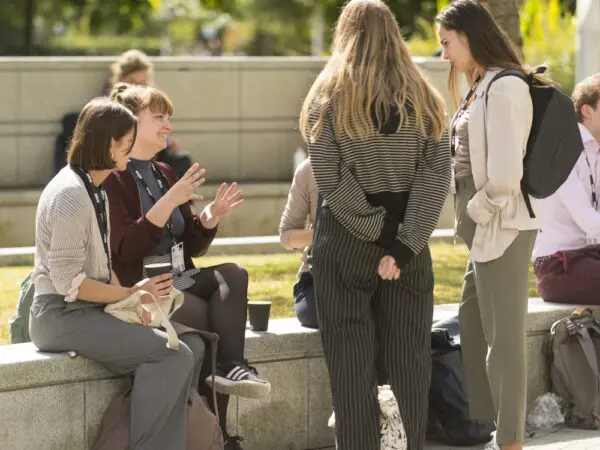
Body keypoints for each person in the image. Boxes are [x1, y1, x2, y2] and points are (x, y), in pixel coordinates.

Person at [298, 1, 451, 448]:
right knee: (409, 361)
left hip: (344, 241)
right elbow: (435, 177)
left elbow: (329, 176)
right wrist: (402, 244)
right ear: (395, 35)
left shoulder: (325, 96)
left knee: (349, 366)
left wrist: (373, 231)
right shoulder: (426, 99)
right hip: (409, 242)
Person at [30, 97, 207, 450]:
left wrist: (136, 299)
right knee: (172, 355)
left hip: (83, 311)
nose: (131, 150)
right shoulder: (70, 194)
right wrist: (132, 293)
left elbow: (103, 268)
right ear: (109, 143)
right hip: (60, 315)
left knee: (188, 345)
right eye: (127, 142)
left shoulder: (93, 189)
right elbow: (70, 284)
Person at [104, 83, 271, 450]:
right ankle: (219, 434)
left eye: (169, 117)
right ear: (131, 123)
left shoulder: (163, 171)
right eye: (159, 117)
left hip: (182, 275)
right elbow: (127, 248)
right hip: (148, 287)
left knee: (233, 274)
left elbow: (189, 245)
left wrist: (208, 219)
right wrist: (167, 203)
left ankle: (230, 370)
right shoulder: (113, 177)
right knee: (211, 325)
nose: (168, 125)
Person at [437, 1, 546, 449]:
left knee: (504, 339)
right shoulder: (479, 86)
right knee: (472, 317)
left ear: (469, 36)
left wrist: (477, 213)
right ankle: (490, 423)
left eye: (446, 43)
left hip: (500, 222)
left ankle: (511, 439)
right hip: (483, 222)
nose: (443, 54)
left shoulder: (504, 90)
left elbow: (504, 176)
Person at [533, 73, 600, 306]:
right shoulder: (563, 150)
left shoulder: (597, 151)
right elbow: (588, 220)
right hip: (558, 265)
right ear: (587, 111)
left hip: (591, 256)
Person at [279, 157, 319, 329]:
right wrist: (322, 235)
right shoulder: (308, 169)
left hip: (371, 272)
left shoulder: (378, 158)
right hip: (318, 277)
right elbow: (287, 236)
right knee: (313, 314)